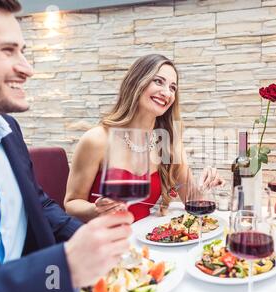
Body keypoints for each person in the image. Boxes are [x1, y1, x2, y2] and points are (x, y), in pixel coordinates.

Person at [0, 0, 134, 292]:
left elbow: (40, 205)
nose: (28, 69)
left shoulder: (8, 131)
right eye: (8, 51)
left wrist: (91, 241)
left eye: (23, 51)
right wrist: (62, 265)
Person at [64, 54, 224, 223]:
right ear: (136, 82)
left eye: (172, 87)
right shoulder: (97, 139)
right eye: (158, 81)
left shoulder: (167, 143)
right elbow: (71, 203)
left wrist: (207, 185)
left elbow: (192, 201)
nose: (166, 93)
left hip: (143, 242)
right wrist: (96, 209)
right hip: (102, 240)